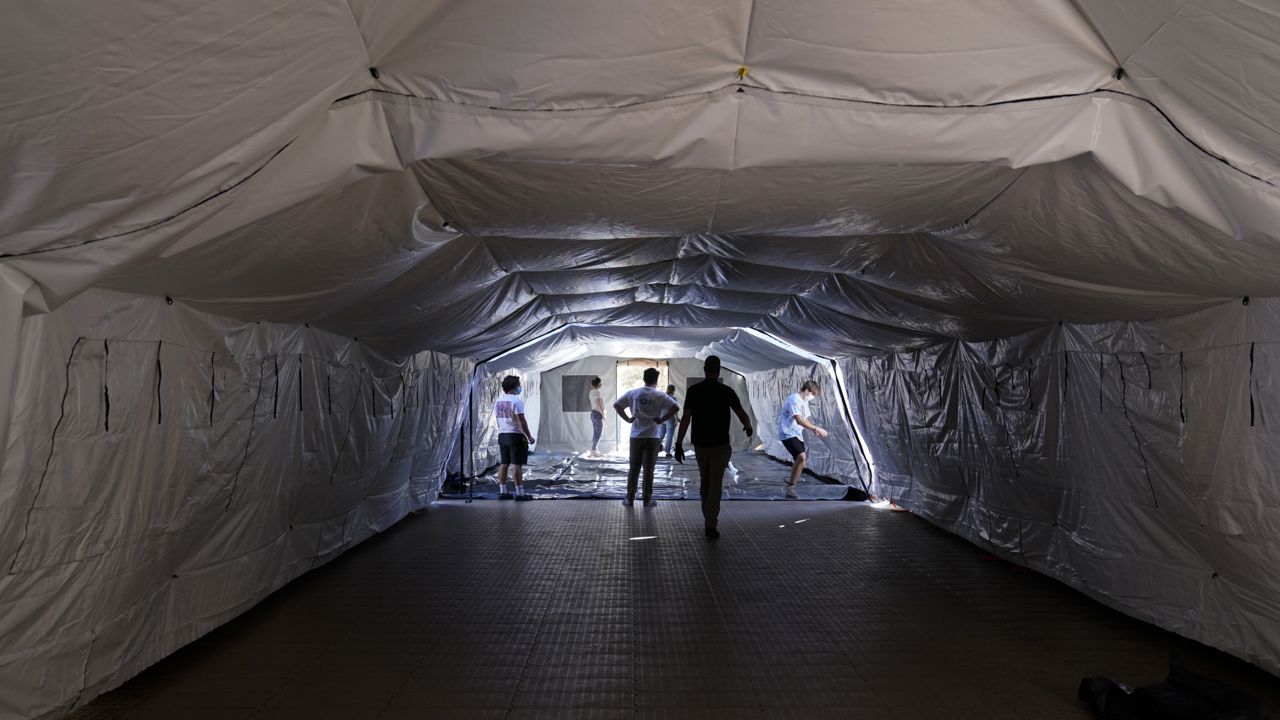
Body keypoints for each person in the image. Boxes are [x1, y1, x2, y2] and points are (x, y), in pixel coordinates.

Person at [674, 356, 753, 539]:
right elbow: (742, 413)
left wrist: (678, 444)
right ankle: (710, 522)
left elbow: (686, 418)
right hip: (720, 444)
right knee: (715, 482)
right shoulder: (726, 391)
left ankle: (707, 516)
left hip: (701, 444)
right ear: (718, 371)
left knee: (705, 480)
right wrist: (748, 427)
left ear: (705, 370)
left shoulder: (694, 391)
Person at [613, 368, 679, 507]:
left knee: (634, 468)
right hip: (653, 437)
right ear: (656, 380)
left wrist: (627, 419)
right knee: (649, 470)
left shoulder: (633, 393)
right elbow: (675, 408)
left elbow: (617, 405)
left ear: (644, 378)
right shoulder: (660, 395)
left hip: (636, 436)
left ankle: (630, 498)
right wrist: (662, 419)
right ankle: (647, 499)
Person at [778, 380, 828, 498]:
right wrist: (816, 428)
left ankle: (791, 485)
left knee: (801, 460)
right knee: (801, 457)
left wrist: (814, 429)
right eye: (812, 394)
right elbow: (799, 420)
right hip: (787, 433)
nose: (811, 397)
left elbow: (805, 419)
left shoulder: (804, 402)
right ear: (806, 391)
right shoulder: (794, 399)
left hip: (797, 434)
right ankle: (790, 486)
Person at [494, 375, 535, 501]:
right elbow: (521, 421)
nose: (520, 387)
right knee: (517, 465)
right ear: (514, 387)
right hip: (515, 436)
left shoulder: (498, 401)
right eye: (519, 384)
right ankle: (520, 493)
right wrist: (529, 437)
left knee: (504, 464)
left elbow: (497, 419)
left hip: (502, 435)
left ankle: (503, 492)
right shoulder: (516, 401)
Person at [658, 384, 679, 458]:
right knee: (670, 436)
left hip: (662, 418)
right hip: (670, 419)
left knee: (660, 435)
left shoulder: (662, 397)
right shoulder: (673, 398)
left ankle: (654, 450)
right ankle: (668, 452)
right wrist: (676, 419)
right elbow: (675, 410)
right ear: (674, 390)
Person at [587, 376, 605, 457]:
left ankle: (595, 450)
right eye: (600, 383)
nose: (601, 384)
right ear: (598, 384)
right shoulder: (597, 392)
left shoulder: (591, 392)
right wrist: (603, 414)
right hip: (597, 413)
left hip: (593, 413)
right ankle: (594, 450)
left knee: (596, 433)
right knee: (599, 433)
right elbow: (598, 403)